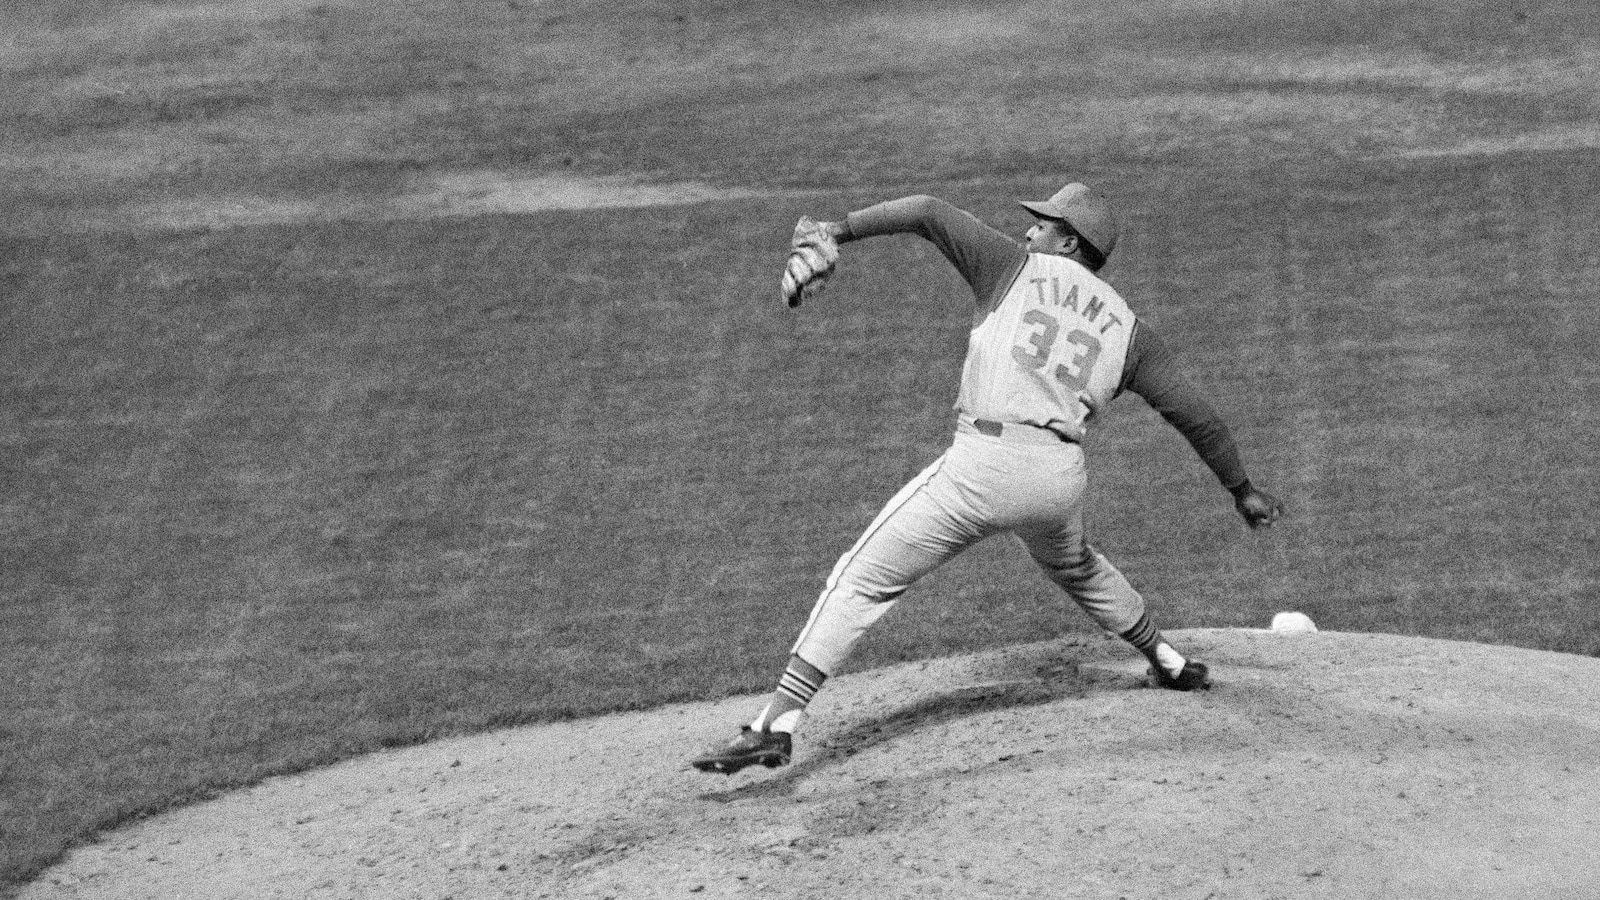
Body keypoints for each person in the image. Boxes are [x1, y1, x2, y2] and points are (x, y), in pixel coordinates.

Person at [690, 183, 1284, 775]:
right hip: (1056, 481)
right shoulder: (1131, 333)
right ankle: (1169, 661)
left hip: (983, 468)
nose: (1029, 230)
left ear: (1069, 243)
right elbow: (1194, 415)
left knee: (861, 579)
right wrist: (1242, 490)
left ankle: (775, 726)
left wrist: (834, 230)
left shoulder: (1013, 267)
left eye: (1044, 225)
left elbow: (926, 211)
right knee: (1077, 567)